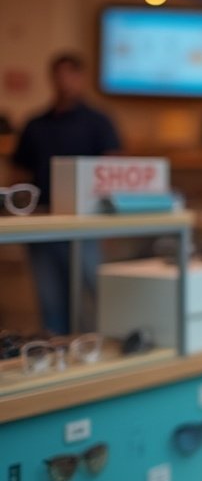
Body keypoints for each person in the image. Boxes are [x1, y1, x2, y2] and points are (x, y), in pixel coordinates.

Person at [11, 53, 121, 335]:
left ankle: (96, 348)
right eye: (59, 75)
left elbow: (112, 170)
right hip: (43, 223)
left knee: (93, 292)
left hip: (85, 223)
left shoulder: (98, 122)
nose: (65, 82)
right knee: (50, 300)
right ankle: (56, 350)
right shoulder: (36, 124)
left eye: (71, 75)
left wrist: (109, 221)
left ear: (81, 78)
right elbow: (19, 174)